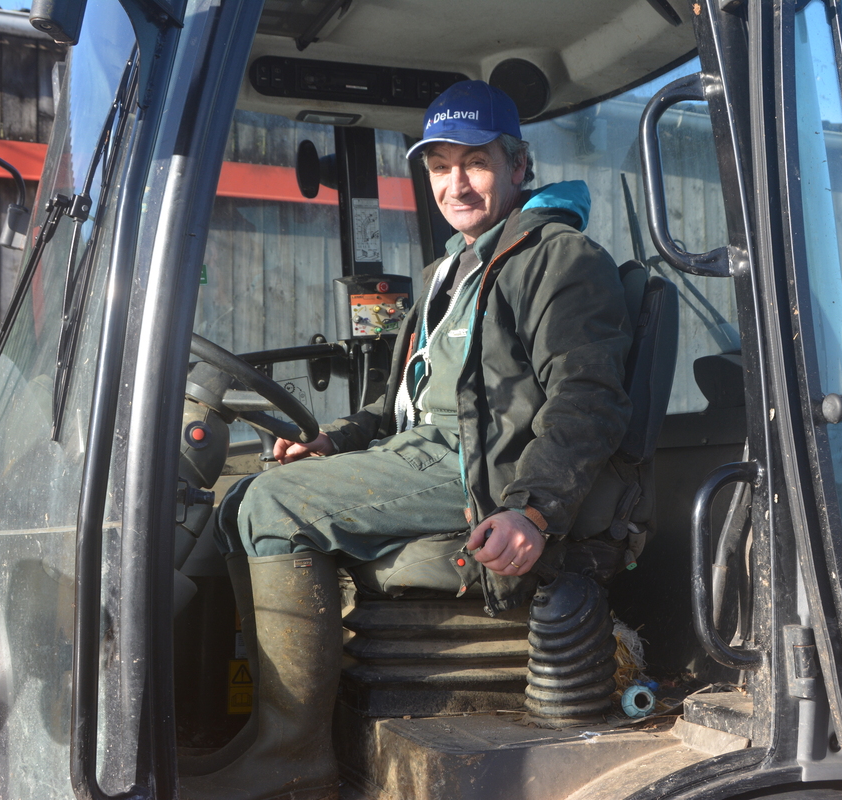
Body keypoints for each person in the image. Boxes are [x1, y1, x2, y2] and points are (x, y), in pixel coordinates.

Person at [183, 80, 633, 800]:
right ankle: (261, 736)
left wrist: (534, 508)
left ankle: (293, 757)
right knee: (241, 496)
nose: (456, 182)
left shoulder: (560, 259)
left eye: (476, 162)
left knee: (270, 508)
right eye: (440, 165)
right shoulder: (448, 269)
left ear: (518, 166)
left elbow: (588, 398)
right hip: (420, 451)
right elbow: (399, 404)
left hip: (484, 473)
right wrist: (333, 441)